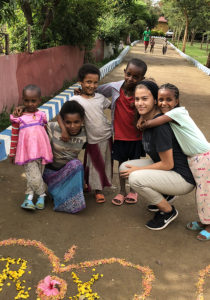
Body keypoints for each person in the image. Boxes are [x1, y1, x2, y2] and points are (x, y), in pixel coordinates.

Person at [120, 81, 195, 230]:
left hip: (182, 177)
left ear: (155, 100)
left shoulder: (159, 127)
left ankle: (168, 211)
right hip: (169, 170)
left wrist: (137, 170)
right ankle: (165, 194)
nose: (140, 103)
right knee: (124, 167)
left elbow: (168, 164)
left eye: (144, 99)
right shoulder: (148, 121)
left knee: (135, 178)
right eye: (137, 99)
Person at [138, 83, 210, 240]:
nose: (164, 103)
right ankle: (204, 221)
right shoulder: (171, 115)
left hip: (204, 157)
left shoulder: (178, 112)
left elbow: (153, 122)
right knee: (202, 192)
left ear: (177, 101)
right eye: (160, 99)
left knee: (205, 193)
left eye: (169, 99)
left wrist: (143, 122)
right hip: (195, 158)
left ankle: (209, 226)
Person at [58, 64, 112, 204]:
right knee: (93, 164)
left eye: (95, 82)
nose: (92, 85)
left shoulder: (100, 98)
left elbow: (113, 106)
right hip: (92, 138)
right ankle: (96, 189)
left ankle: (96, 187)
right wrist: (64, 130)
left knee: (103, 163)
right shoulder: (76, 100)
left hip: (107, 135)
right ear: (80, 83)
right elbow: (60, 115)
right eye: (88, 82)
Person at [96, 58, 147, 206]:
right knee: (122, 165)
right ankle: (122, 191)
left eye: (135, 77)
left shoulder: (143, 93)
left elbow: (151, 105)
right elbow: (97, 91)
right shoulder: (114, 87)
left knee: (134, 166)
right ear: (124, 72)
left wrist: (143, 117)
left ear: (141, 78)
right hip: (119, 136)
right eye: (128, 74)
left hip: (137, 137)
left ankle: (134, 190)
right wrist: (82, 92)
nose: (131, 79)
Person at [9, 84, 53, 210]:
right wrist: (12, 153)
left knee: (34, 176)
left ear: (40, 100)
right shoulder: (19, 118)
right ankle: (43, 194)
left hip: (42, 152)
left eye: (33, 101)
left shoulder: (41, 116)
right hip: (27, 153)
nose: (30, 104)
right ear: (22, 100)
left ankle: (29, 199)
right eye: (26, 100)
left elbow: (44, 132)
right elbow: (14, 136)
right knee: (34, 176)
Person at [43, 100, 87, 213]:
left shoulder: (86, 133)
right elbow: (33, 121)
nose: (72, 126)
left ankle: (64, 196)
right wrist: (63, 129)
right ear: (63, 121)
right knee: (75, 164)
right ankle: (59, 194)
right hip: (51, 173)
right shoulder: (53, 128)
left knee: (76, 164)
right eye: (68, 122)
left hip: (70, 172)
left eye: (76, 122)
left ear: (82, 120)